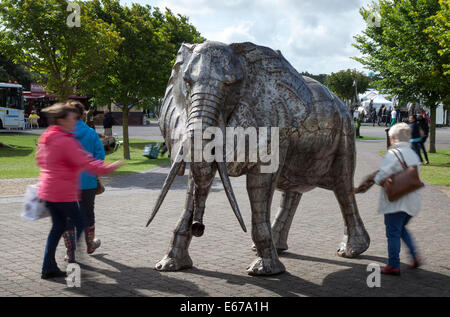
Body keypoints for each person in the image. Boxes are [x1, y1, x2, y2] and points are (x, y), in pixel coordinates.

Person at [37, 103, 123, 279]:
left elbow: (40, 160)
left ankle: (49, 266)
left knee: (59, 227)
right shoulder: (66, 139)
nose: (73, 120)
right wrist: (108, 168)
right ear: (61, 119)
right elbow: (87, 161)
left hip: (49, 190)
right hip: (66, 190)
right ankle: (76, 259)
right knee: (82, 221)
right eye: (70, 118)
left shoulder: (48, 136)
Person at [355, 123, 422, 275]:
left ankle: (393, 265)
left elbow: (380, 178)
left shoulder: (393, 154)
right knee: (401, 229)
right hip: (412, 200)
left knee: (392, 232)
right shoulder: (413, 153)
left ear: (393, 138)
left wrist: (375, 179)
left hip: (396, 201)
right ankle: (414, 255)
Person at [61, 100, 106, 263]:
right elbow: (100, 157)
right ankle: (90, 245)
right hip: (87, 181)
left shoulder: (62, 133)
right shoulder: (91, 133)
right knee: (88, 213)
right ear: (82, 115)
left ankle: (70, 252)